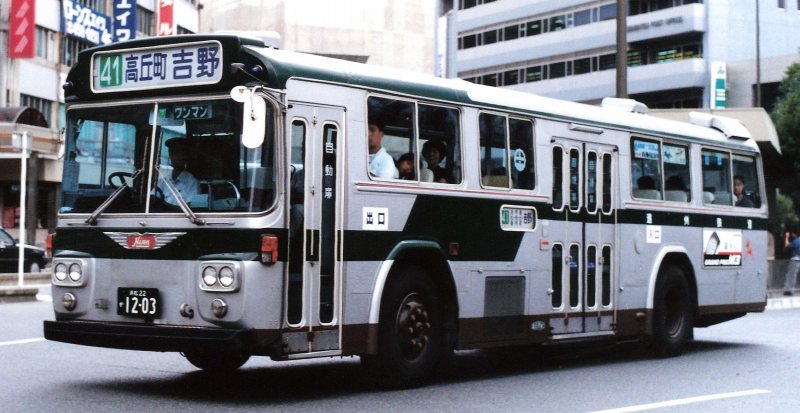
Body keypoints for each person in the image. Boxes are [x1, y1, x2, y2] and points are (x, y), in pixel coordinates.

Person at [157, 137, 200, 205]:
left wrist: (165, 205)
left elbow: (191, 209)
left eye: (179, 153)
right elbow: (153, 199)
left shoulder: (193, 183)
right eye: (172, 153)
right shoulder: (163, 180)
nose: (175, 157)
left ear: (185, 156)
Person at [784, 226, 800, 296]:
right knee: (793, 275)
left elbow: (786, 245)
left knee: (790, 275)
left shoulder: (795, 241)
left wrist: (787, 237)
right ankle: (790, 289)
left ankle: (789, 290)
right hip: (798, 260)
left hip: (794, 260)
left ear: (794, 234)